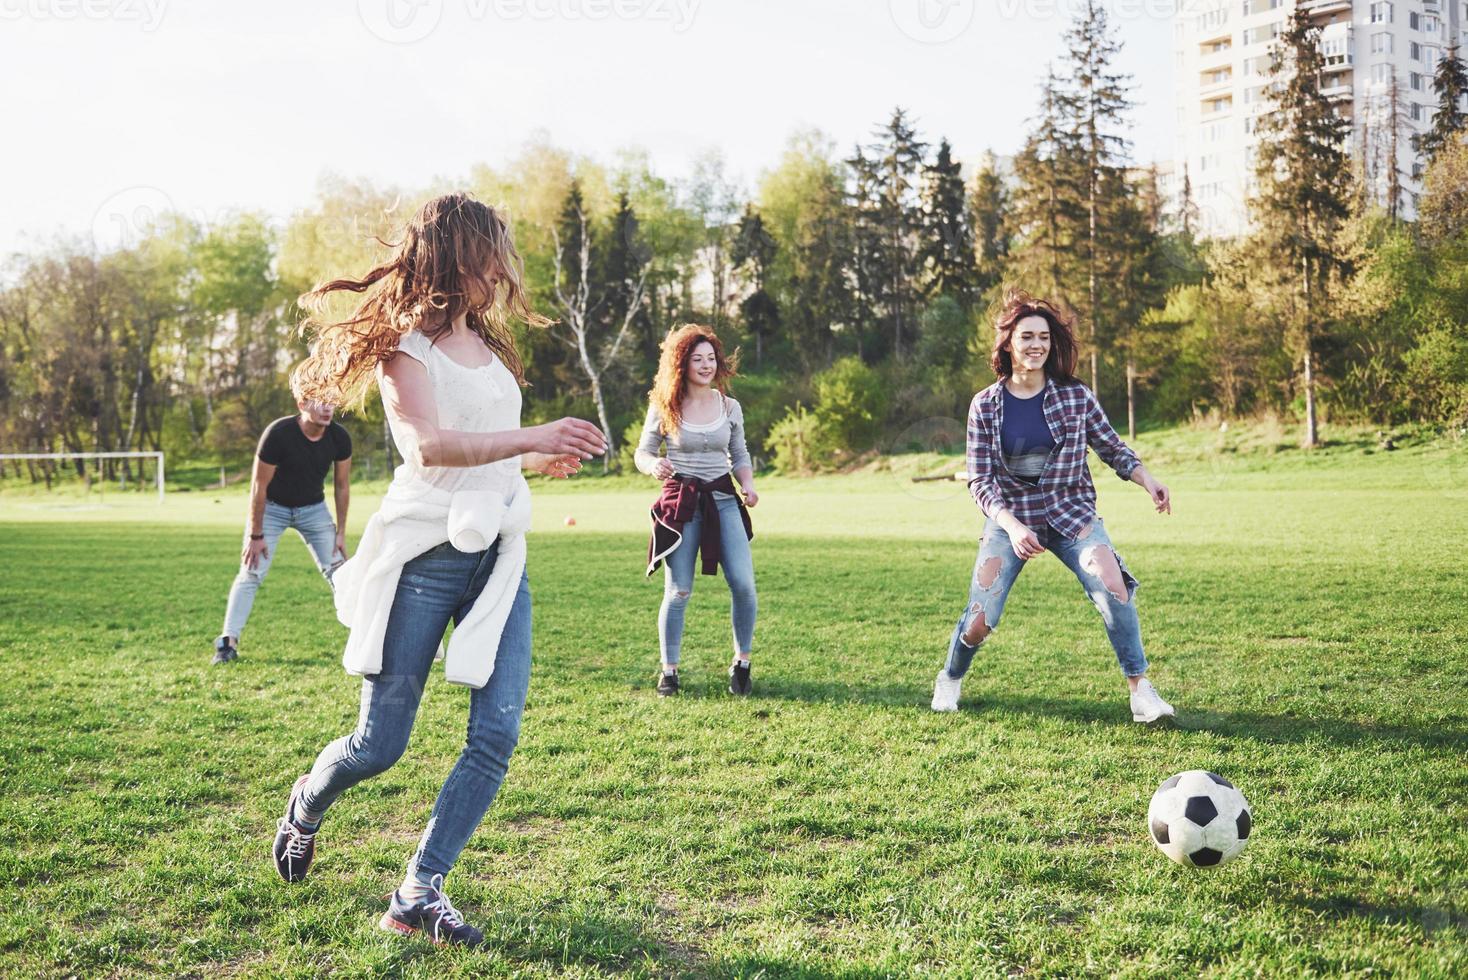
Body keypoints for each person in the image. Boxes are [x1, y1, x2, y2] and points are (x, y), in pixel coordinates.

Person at [270, 193, 606, 947]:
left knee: (496, 733)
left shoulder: (488, 350)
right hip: (424, 555)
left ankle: (419, 890)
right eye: (493, 251)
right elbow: (428, 447)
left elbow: (486, 443)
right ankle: (307, 802)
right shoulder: (404, 352)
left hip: (497, 556)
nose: (503, 268)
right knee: (379, 745)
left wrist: (536, 456)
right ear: (460, 253)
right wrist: (534, 432)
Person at [931, 289, 1177, 723]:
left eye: (1043, 337)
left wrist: (1147, 479)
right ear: (1008, 343)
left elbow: (1111, 447)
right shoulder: (985, 406)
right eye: (1026, 337)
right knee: (980, 620)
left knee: (1112, 585)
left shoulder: (1075, 397)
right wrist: (1011, 526)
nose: (1036, 345)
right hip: (1010, 520)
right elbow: (981, 481)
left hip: (1072, 514)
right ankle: (950, 677)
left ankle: (1140, 691)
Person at [636, 324, 759, 697]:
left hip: (722, 499)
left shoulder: (729, 406)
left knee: (744, 585)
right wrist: (652, 465)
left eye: (711, 358)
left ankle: (742, 663)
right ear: (681, 363)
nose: (706, 365)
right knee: (679, 591)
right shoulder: (664, 405)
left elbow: (739, 453)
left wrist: (748, 485)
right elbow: (643, 452)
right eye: (697, 359)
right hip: (682, 502)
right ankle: (669, 671)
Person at [212, 389, 351, 665]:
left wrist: (341, 533)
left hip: (314, 510)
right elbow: (258, 486)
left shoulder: (339, 437)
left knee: (340, 572)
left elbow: (342, 485)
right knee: (251, 571)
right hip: (272, 509)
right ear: (302, 404)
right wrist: (255, 534)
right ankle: (228, 642)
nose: (327, 408)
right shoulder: (278, 433)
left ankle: (366, 637)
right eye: (319, 401)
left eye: (331, 401)